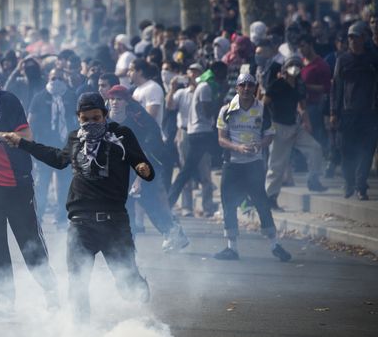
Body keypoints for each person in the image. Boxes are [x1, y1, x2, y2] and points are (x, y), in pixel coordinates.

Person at [1, 92, 152, 323]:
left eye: (96, 118)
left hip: (114, 223)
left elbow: (141, 162)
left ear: (105, 115)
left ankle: (139, 292)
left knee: (130, 287)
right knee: (77, 283)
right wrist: (23, 143)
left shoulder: (121, 135)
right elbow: (57, 159)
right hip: (81, 224)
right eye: (85, 119)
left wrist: (143, 168)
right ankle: (81, 329)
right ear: (78, 118)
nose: (91, 124)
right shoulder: (75, 139)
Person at [0, 59, 58, 317]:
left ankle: (51, 291)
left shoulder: (8, 102)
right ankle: (4, 301)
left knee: (29, 244)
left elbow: (26, 138)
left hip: (18, 185)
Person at [215, 73, 292, 262]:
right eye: (243, 85)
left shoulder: (263, 109)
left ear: (255, 88)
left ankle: (275, 244)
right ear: (237, 88)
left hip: (254, 165)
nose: (247, 89)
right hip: (232, 164)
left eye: (250, 85)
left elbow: (269, 135)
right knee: (229, 204)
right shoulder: (227, 109)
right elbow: (221, 139)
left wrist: (260, 145)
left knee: (262, 203)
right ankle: (231, 248)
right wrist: (237, 147)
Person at [107, 85, 189, 251]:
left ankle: (172, 231)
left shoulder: (136, 122)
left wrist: (139, 179)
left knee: (150, 203)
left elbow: (147, 150)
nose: (115, 102)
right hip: (117, 172)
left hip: (140, 168)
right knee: (123, 210)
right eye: (112, 98)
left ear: (126, 102)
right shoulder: (103, 121)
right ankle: (127, 250)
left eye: (119, 99)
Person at [265, 57, 327, 209]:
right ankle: (270, 198)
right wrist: (267, 127)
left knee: (315, 148)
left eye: (298, 65)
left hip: (295, 125)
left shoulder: (299, 85)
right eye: (291, 65)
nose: (295, 68)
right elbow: (264, 105)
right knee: (277, 166)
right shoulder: (276, 85)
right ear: (285, 68)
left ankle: (313, 180)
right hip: (278, 127)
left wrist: (307, 122)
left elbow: (302, 106)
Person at [166, 62, 227, 211]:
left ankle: (205, 205)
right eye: (190, 72)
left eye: (196, 72)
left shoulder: (203, 88)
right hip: (194, 133)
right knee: (186, 170)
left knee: (199, 170)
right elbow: (207, 112)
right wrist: (172, 89)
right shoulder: (198, 89)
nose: (193, 75)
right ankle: (180, 204)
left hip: (197, 132)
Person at [330, 21, 378, 200]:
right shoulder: (342, 60)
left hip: (369, 114)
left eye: (356, 38)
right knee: (346, 151)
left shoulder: (373, 59)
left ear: (363, 39)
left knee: (367, 151)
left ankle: (360, 186)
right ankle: (349, 182)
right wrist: (334, 112)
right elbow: (335, 88)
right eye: (350, 38)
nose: (353, 41)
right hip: (347, 113)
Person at [27, 68, 76, 227]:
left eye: (60, 78)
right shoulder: (39, 98)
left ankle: (61, 217)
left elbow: (77, 121)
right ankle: (37, 217)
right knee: (42, 184)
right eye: (53, 77)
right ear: (48, 78)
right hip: (44, 147)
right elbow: (30, 122)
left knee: (64, 184)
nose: (56, 81)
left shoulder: (71, 97)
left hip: (64, 148)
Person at [299, 35, 331, 153]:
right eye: (299, 47)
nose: (301, 50)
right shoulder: (301, 63)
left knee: (316, 135)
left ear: (310, 45)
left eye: (303, 46)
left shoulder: (321, 65)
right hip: (302, 105)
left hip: (315, 106)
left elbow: (326, 88)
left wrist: (306, 87)